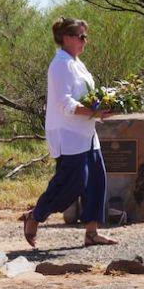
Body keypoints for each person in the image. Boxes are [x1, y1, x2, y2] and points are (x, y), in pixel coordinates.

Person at [22, 17, 117, 248]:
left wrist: (106, 104)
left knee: (96, 180)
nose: (85, 41)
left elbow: (87, 95)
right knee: (71, 184)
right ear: (67, 38)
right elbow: (64, 103)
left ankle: (91, 233)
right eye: (81, 37)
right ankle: (35, 216)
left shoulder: (77, 63)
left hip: (87, 132)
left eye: (85, 36)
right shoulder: (60, 65)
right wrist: (93, 110)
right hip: (68, 133)